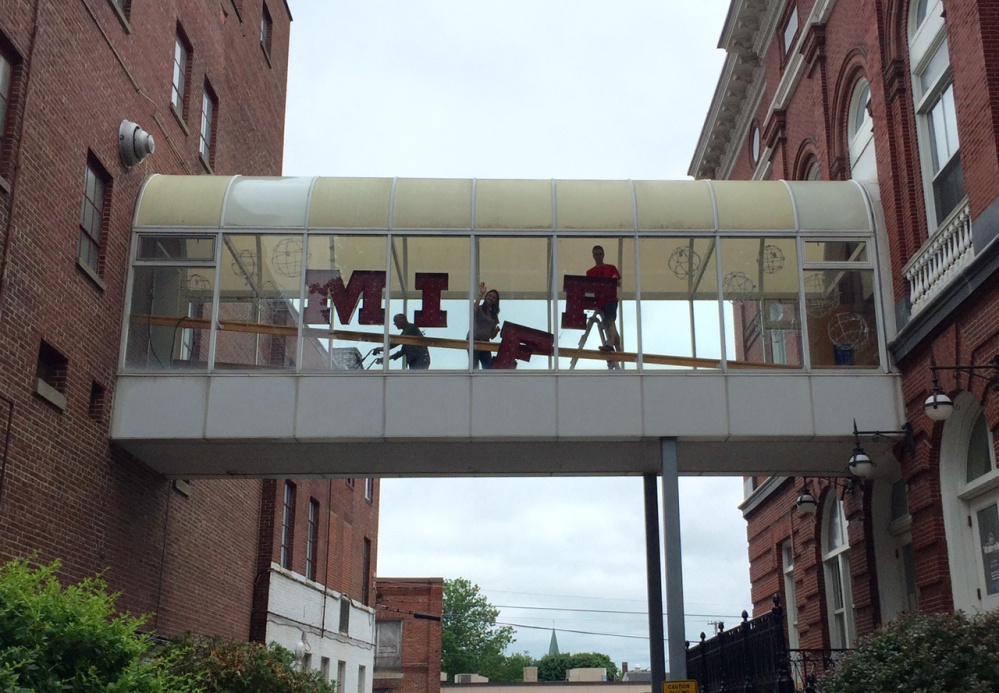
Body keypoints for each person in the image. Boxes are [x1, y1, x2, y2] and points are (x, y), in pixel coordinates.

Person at [586, 245, 621, 353]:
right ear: (593, 256)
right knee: (609, 324)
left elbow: (618, 282)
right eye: (596, 254)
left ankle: (610, 344)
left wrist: (613, 281)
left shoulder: (611, 268)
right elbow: (589, 288)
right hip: (601, 302)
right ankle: (619, 351)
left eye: (600, 254)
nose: (598, 256)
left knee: (610, 322)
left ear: (603, 255)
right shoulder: (590, 272)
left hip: (610, 300)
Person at [471, 282, 501, 369]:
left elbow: (491, 336)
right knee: (474, 366)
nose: (491, 298)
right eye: (489, 295)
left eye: (494, 298)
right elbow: (473, 310)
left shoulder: (493, 315)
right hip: (475, 339)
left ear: (496, 301)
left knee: (488, 367)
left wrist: (496, 331)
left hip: (485, 342)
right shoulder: (479, 308)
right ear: (486, 296)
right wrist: (481, 294)